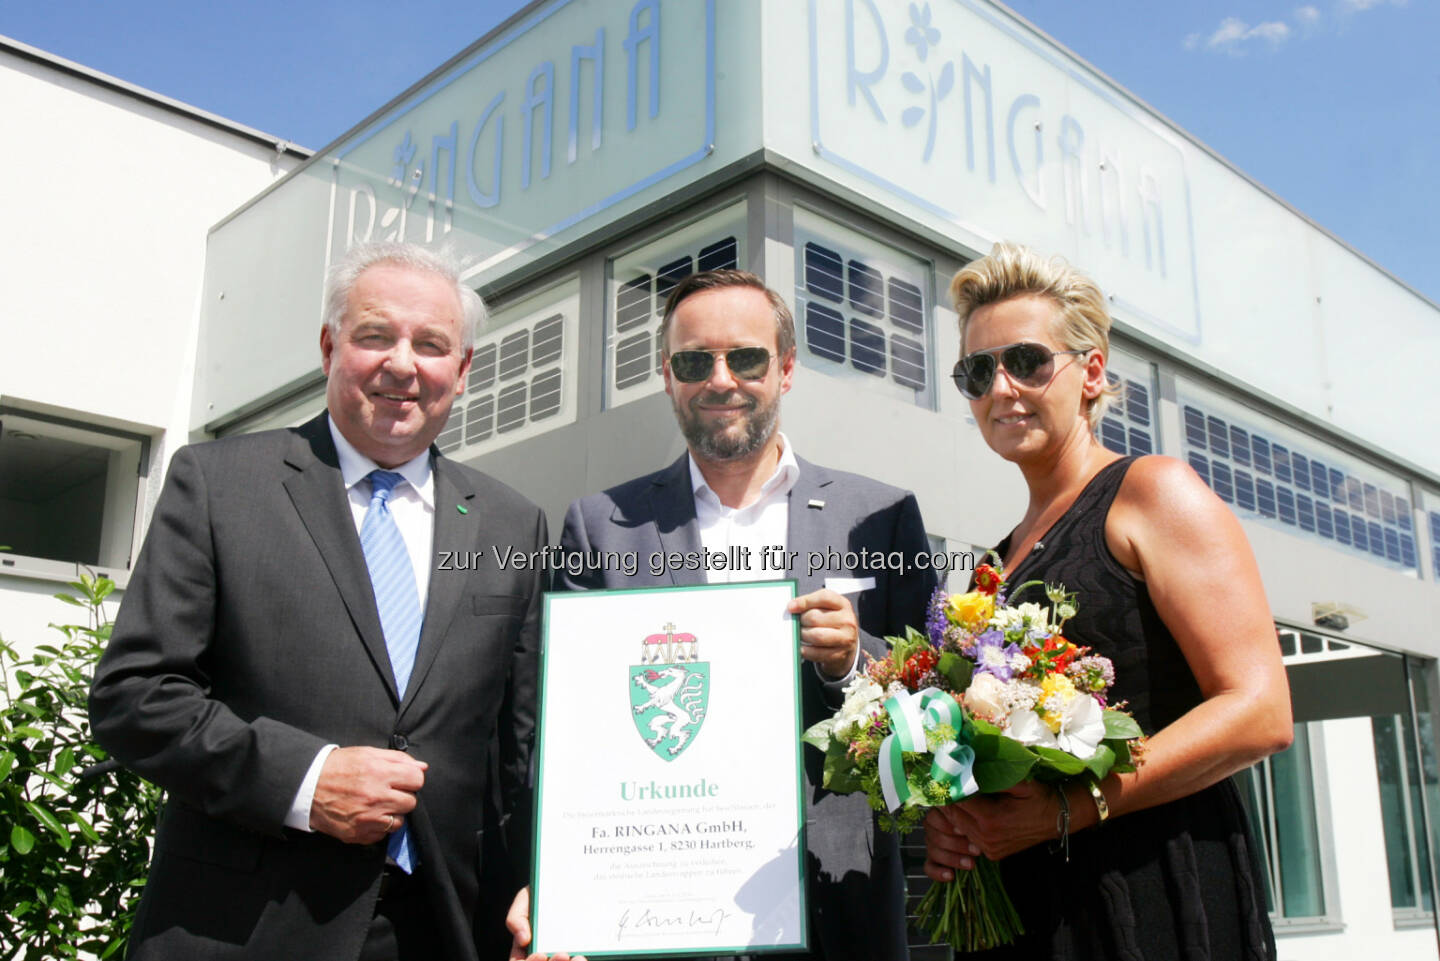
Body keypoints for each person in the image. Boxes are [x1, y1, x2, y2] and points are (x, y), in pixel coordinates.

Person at [89, 242, 556, 961]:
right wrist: (306, 780)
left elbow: (522, 749)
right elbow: (134, 695)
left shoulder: (511, 522)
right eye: (376, 335)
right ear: (329, 346)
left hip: (443, 930)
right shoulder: (218, 484)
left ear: (461, 372)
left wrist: (543, 881)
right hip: (244, 929)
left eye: (431, 344)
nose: (402, 363)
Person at [526, 269, 936, 961]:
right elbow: (563, 727)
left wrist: (853, 660)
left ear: (786, 368)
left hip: (838, 907)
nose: (720, 380)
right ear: (666, 375)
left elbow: (937, 706)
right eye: (693, 361)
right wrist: (552, 882)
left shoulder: (880, 514)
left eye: (745, 357)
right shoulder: (599, 526)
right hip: (655, 911)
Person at [923, 242, 1293, 958]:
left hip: (1156, 893)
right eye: (976, 371)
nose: (1001, 388)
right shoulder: (992, 569)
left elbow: (1261, 709)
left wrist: (1074, 805)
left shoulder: (1153, 492)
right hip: (1032, 910)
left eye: (1027, 361)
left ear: (1091, 371)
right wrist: (958, 819)